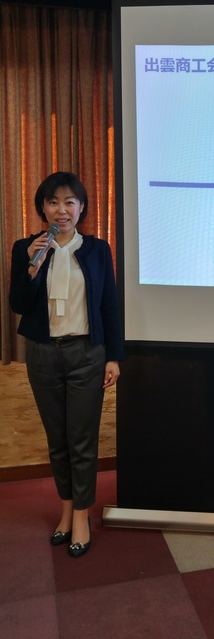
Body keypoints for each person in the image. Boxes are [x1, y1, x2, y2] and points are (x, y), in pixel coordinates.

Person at [9, 171, 124, 558]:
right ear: (43, 208)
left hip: (86, 354)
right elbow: (18, 304)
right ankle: (65, 510)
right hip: (42, 354)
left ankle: (81, 516)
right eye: (54, 202)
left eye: (69, 202)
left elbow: (109, 305)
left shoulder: (96, 250)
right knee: (57, 441)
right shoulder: (26, 248)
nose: (62, 209)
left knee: (82, 441)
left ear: (81, 208)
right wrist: (31, 267)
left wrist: (113, 356)